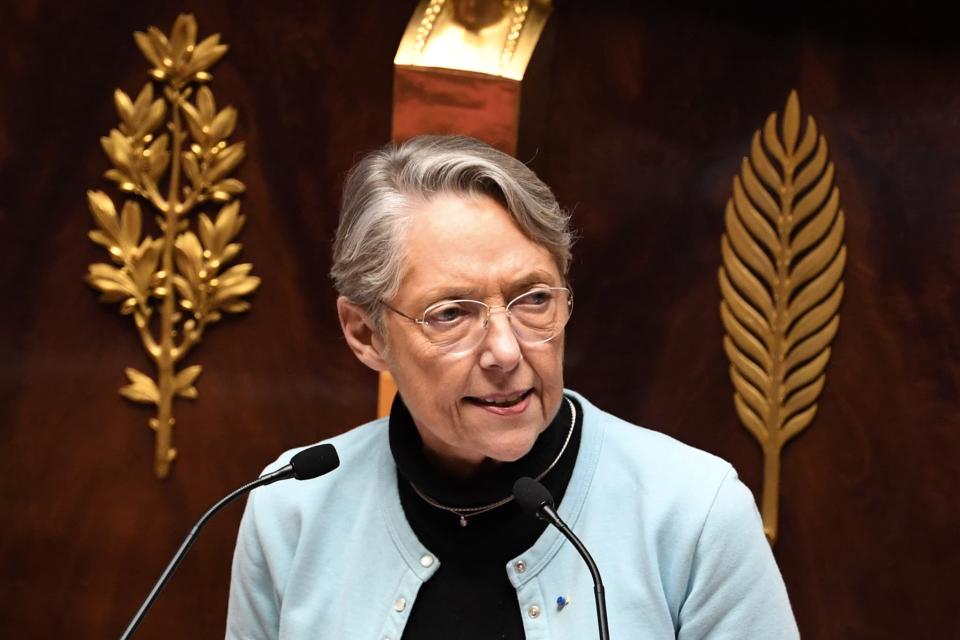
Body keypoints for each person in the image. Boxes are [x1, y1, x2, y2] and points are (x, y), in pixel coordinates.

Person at [226, 135, 799, 639]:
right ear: (365, 332)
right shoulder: (292, 508)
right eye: (451, 313)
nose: (506, 352)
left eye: (534, 299)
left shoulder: (694, 514)